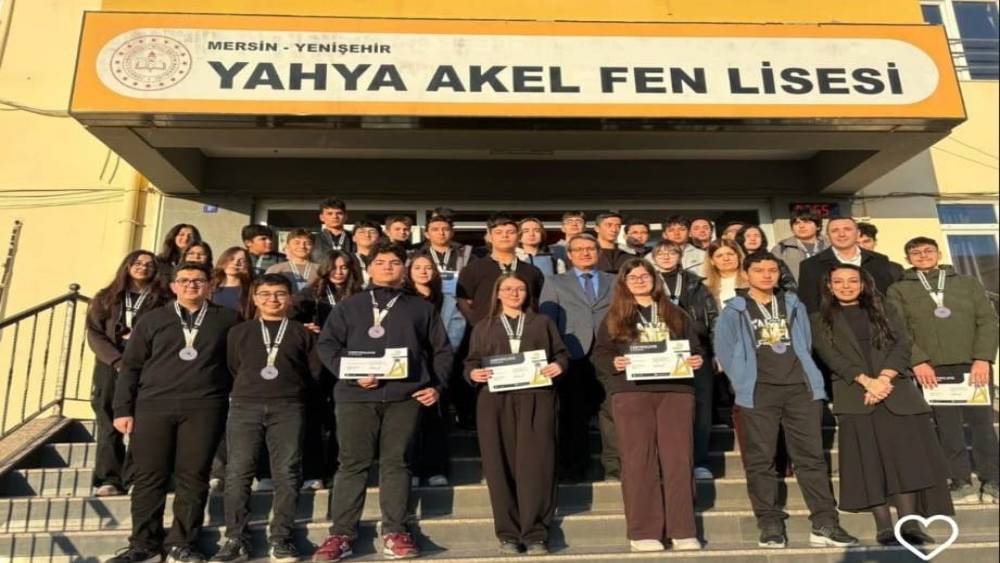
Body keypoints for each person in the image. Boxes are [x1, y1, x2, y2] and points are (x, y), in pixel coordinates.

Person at [312, 242, 452, 562]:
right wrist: (351, 374)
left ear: (404, 269)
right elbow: (328, 345)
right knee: (352, 464)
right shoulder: (349, 305)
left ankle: (395, 531)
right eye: (380, 262)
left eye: (394, 262)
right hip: (356, 396)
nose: (387, 267)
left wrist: (437, 386)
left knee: (397, 463)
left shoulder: (421, 307)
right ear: (369, 267)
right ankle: (341, 534)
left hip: (405, 397)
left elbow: (442, 350)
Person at [714, 253, 858, 549]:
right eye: (759, 270)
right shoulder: (733, 310)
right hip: (758, 391)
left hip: (800, 390)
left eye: (772, 270)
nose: (767, 275)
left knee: (811, 458)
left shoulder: (793, 304)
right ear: (746, 274)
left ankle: (825, 523)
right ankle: (769, 524)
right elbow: (725, 351)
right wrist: (742, 381)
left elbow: (805, 343)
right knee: (761, 460)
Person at [812, 264, 953, 546]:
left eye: (852, 281)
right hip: (855, 395)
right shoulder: (818, 319)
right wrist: (868, 382)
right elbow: (831, 357)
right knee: (869, 463)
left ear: (863, 284)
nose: (846, 286)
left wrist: (884, 379)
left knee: (905, 461)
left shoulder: (885, 309)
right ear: (829, 286)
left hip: (896, 393)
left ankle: (909, 525)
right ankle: (885, 528)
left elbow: (903, 344)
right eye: (838, 281)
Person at [109, 263, 241, 563]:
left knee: (193, 476)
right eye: (184, 280)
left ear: (210, 285)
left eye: (198, 280)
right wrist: (122, 409)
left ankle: (183, 543)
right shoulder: (152, 319)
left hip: (204, 407)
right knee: (149, 477)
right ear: (173, 286)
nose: (191, 285)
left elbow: (239, 361)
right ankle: (143, 544)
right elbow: (131, 366)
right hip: (153, 406)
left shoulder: (228, 319)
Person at [592, 258, 705, 552]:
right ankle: (644, 531)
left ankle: (683, 529)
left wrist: (697, 359)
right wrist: (614, 363)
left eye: (645, 276)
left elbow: (695, 349)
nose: (640, 281)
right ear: (624, 283)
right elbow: (601, 354)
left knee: (678, 460)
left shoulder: (676, 313)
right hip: (631, 393)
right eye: (634, 277)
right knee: (638, 460)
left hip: (675, 392)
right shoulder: (614, 316)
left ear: (655, 280)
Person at [211, 274, 322, 563]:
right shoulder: (239, 332)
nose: (272, 299)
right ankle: (236, 538)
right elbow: (233, 367)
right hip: (245, 406)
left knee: (287, 471)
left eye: (280, 294)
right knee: (238, 472)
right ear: (255, 298)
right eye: (265, 294)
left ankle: (281, 538)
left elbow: (313, 373)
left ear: (290, 298)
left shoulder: (302, 333)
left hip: (288, 406)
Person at [887, 237, 999, 503]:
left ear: (938, 254)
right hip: (932, 369)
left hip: (973, 366)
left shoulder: (967, 283)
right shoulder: (899, 289)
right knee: (947, 427)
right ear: (908, 258)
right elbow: (898, 329)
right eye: (915, 252)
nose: (923, 255)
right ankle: (960, 481)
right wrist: (917, 361)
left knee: (982, 425)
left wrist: (983, 358)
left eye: (928, 251)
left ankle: (993, 479)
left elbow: (988, 321)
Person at [465, 273, 569, 554]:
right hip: (495, 401)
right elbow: (471, 361)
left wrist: (559, 366)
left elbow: (561, 354)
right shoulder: (484, 326)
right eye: (508, 288)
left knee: (537, 464)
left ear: (527, 294)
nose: (514, 293)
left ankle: (535, 533)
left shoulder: (542, 323)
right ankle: (508, 534)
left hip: (537, 398)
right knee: (499, 465)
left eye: (520, 289)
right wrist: (473, 373)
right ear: (498, 293)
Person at [86, 250, 166, 497]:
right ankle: (109, 478)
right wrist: (117, 360)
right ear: (127, 266)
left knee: (142, 422)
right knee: (108, 421)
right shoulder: (106, 297)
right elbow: (94, 333)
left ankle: (135, 477)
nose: (143, 267)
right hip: (110, 366)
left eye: (149, 265)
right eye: (138, 263)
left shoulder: (162, 299)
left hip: (146, 366)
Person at [539, 234, 617, 481]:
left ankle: (615, 466)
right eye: (579, 249)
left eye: (590, 248)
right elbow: (548, 320)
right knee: (573, 413)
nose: (585, 253)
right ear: (569, 255)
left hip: (609, 352)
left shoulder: (615, 281)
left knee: (612, 410)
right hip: (572, 353)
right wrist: (554, 354)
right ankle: (574, 468)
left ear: (599, 252)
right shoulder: (555, 282)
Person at [456, 214, 545, 428]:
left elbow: (537, 302)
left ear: (518, 236)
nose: (505, 236)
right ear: (489, 237)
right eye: (499, 232)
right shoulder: (473, 269)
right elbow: (463, 301)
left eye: (510, 232)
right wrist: (479, 325)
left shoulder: (531, 271)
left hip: (523, 338)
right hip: (486, 337)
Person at [292, 250, 365, 490]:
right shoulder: (309, 294)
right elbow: (288, 322)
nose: (339, 272)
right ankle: (312, 473)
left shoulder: (360, 295)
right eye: (334, 267)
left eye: (344, 267)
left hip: (349, 361)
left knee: (341, 421)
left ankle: (336, 471)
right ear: (324, 268)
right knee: (313, 419)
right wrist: (304, 328)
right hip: (317, 364)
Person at [648, 241, 718, 479]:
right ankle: (663, 462)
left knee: (701, 408)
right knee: (666, 410)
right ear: (653, 257)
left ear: (680, 256)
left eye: (671, 252)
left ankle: (699, 461)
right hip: (659, 353)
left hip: (696, 350)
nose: (666, 256)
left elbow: (713, 318)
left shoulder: (695, 282)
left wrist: (716, 352)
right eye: (660, 253)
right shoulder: (646, 281)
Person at [406, 253, 466, 487]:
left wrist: (443, 351)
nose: (423, 271)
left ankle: (436, 470)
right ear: (409, 272)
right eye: (417, 267)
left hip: (438, 363)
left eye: (428, 267)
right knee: (410, 420)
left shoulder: (447, 301)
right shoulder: (402, 299)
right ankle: (412, 470)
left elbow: (457, 327)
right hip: (410, 365)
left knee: (437, 418)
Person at [797, 217, 902, 313]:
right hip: (832, 324)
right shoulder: (811, 265)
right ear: (828, 236)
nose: (841, 234)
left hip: (876, 321)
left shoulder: (879, 260)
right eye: (835, 231)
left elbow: (886, 295)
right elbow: (809, 304)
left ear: (857, 233)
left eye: (847, 229)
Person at [418, 213, 473, 295]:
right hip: (426, 299)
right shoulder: (418, 256)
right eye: (435, 229)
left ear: (452, 233)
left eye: (446, 229)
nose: (441, 233)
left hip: (458, 299)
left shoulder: (466, 256)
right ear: (427, 234)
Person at [771, 211, 828, 282]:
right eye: (797, 223)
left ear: (818, 226)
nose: (801, 226)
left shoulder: (831, 246)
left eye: (806, 222)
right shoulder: (780, 249)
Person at [735, 225, 797, 292]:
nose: (753, 239)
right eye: (748, 236)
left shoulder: (774, 260)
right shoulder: (735, 261)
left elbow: (789, 285)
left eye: (757, 236)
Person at [209, 247, 253, 319]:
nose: (236, 263)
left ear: (247, 265)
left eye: (242, 261)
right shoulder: (210, 287)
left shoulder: (251, 289)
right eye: (231, 259)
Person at [703, 239, 747, 309]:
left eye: (730, 254)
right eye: (719, 256)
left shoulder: (752, 281)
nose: (726, 259)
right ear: (712, 261)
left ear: (739, 256)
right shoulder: (705, 288)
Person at [351, 219, 382, 283]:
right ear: (353, 238)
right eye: (361, 232)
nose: (367, 235)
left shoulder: (386, 259)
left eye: (372, 232)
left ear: (379, 239)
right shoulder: (346, 259)